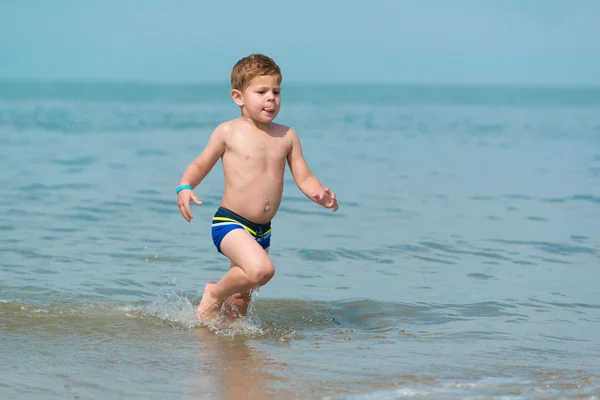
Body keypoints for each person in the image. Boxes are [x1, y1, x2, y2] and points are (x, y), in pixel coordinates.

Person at [176, 54, 339, 322]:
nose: (271, 98)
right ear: (238, 97)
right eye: (261, 91)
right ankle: (214, 294)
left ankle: (226, 344)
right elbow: (200, 163)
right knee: (261, 270)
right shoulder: (228, 132)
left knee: (240, 300)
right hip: (230, 223)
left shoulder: (287, 136)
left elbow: (304, 176)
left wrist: (319, 194)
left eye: (276, 91)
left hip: (263, 230)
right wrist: (185, 186)